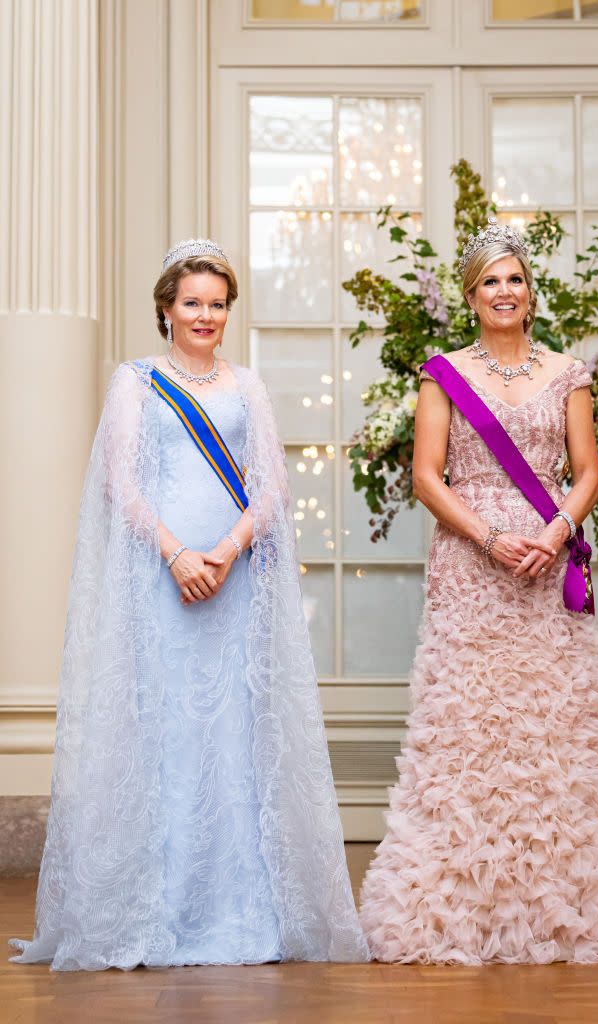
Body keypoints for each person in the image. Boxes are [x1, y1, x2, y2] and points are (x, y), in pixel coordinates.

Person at [11, 239, 369, 971]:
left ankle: (238, 912)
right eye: (192, 303)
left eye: (217, 303)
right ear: (166, 310)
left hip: (231, 580)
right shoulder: (136, 383)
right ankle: (156, 911)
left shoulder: (248, 387)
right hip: (160, 581)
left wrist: (227, 550)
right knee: (166, 730)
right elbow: (120, 482)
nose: (205, 315)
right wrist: (177, 552)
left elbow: (270, 486)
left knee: (233, 735)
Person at [359, 219, 598, 965]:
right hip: (472, 565)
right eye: (490, 280)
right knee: (469, 723)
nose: (505, 291)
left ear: (531, 294)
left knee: (546, 727)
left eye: (515, 279)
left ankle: (559, 902)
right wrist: (491, 539)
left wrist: (556, 532)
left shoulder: (567, 373)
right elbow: (427, 478)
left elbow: (587, 470)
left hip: (544, 556)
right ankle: (453, 904)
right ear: (470, 297)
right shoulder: (442, 374)